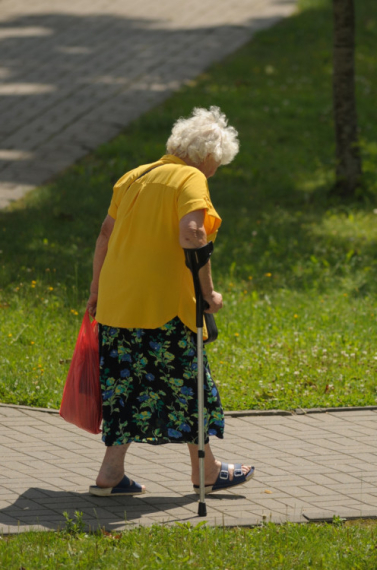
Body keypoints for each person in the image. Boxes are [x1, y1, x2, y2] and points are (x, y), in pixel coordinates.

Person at [86, 106, 254, 496]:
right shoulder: (190, 178)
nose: (215, 171)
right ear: (207, 155)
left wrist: (96, 289)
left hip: (118, 303)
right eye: (218, 163)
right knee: (190, 387)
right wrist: (207, 293)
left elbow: (104, 236)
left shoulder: (134, 176)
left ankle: (110, 475)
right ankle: (207, 472)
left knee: (125, 388)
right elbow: (193, 234)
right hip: (164, 307)